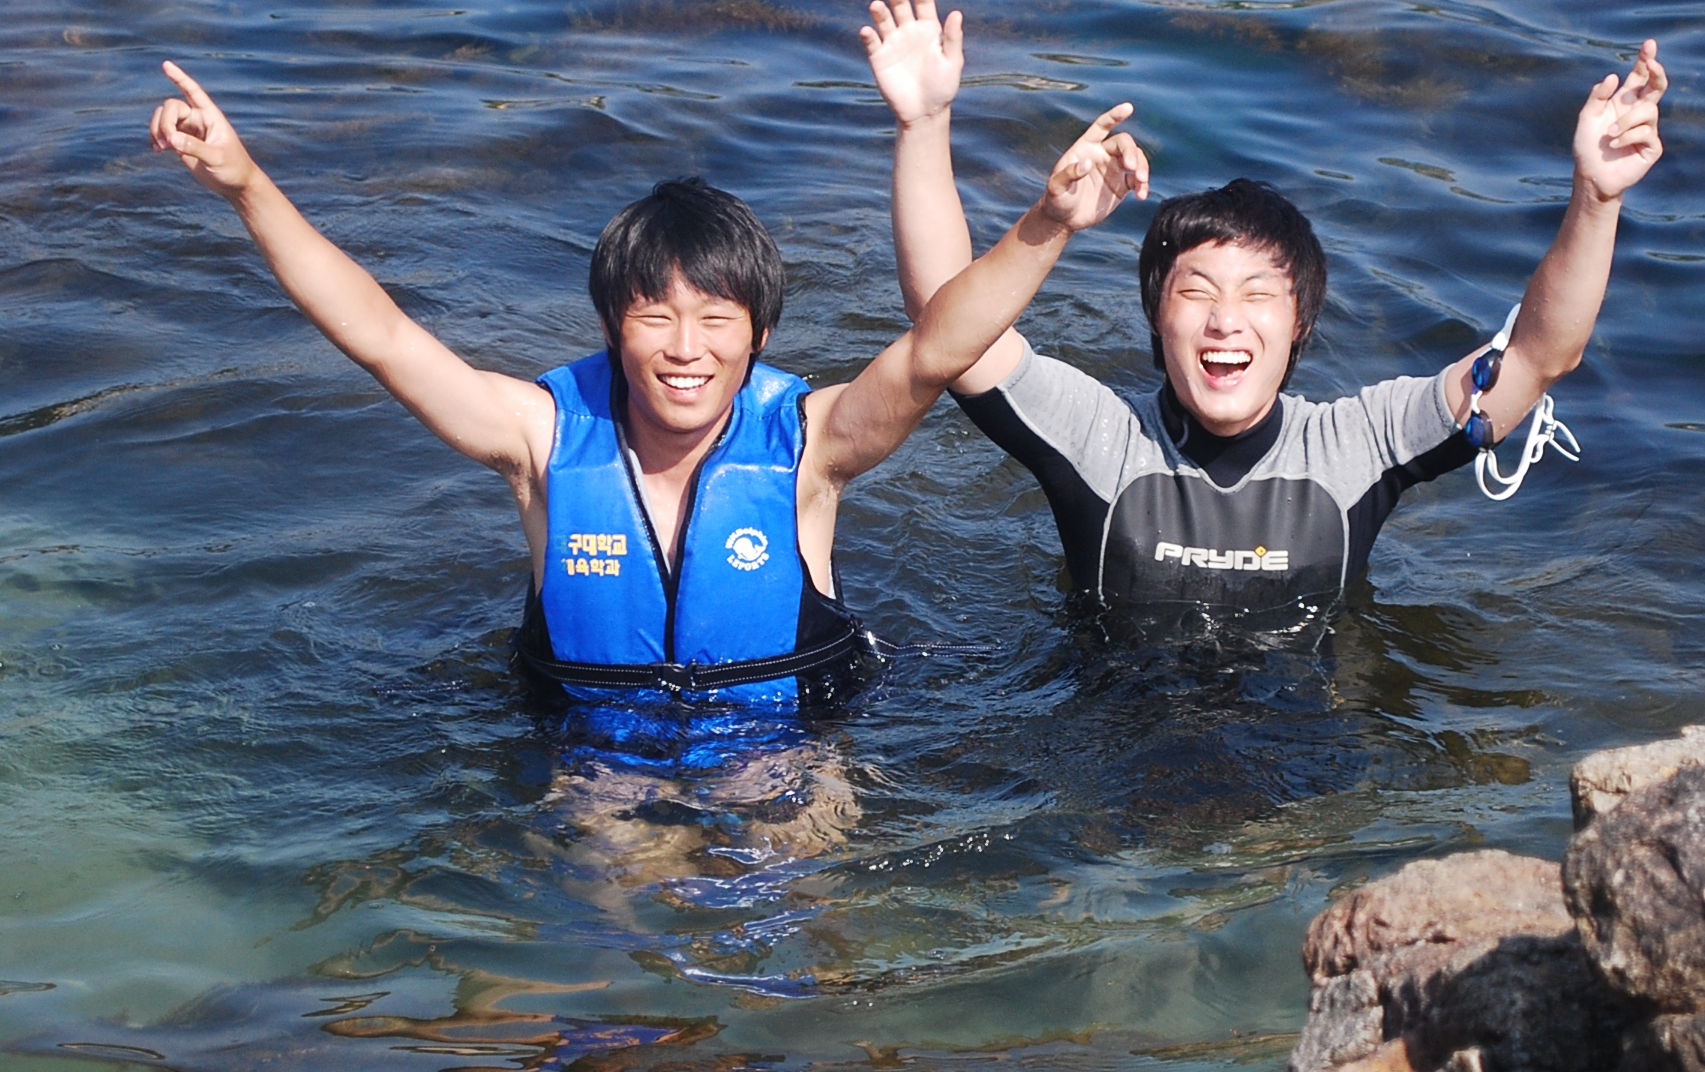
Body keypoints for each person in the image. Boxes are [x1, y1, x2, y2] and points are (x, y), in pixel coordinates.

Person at [146, 59, 1149, 720]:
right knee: (608, 909)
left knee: (802, 920)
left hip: (786, 752)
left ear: (759, 336)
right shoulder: (540, 439)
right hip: (592, 758)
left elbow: (936, 349)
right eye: (654, 316)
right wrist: (247, 186)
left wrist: (1047, 225)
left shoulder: (812, 444)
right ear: (609, 327)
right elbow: (381, 336)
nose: (685, 349)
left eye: (716, 320)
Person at [861, 0, 1668, 642]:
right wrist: (928, 127)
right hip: (1115, 741)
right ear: (1156, 319)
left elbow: (1537, 357)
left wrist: (1596, 199)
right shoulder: (1102, 441)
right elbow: (946, 327)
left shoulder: (1355, 447)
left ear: (1299, 325)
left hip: (1300, 761)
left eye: (1258, 296)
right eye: (1196, 292)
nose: (1225, 321)